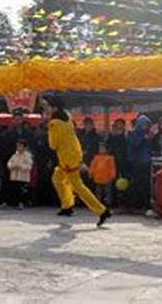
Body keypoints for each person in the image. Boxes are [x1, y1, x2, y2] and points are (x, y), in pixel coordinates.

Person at [42, 95, 111, 227]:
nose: (44, 108)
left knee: (78, 187)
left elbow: (53, 145)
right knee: (57, 178)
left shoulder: (54, 123)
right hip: (72, 154)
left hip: (67, 158)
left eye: (46, 105)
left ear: (54, 107)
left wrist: (48, 128)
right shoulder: (66, 116)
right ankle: (67, 205)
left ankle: (102, 210)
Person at [126, 115, 153, 211]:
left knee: (145, 184)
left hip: (146, 163)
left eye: (147, 125)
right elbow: (135, 144)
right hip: (135, 163)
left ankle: (144, 203)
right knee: (136, 184)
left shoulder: (148, 135)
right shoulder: (132, 134)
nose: (145, 126)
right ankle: (134, 204)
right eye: (144, 124)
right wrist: (144, 139)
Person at [106, 118, 128, 207]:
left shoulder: (126, 135)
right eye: (117, 124)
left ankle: (124, 200)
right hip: (113, 161)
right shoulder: (112, 135)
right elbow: (108, 146)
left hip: (124, 161)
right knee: (113, 180)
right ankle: (113, 201)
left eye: (121, 124)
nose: (119, 126)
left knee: (125, 181)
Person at [6, 139, 33, 209]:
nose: (19, 148)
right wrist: (11, 166)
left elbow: (29, 166)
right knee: (14, 190)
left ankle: (22, 203)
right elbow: (9, 163)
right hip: (14, 176)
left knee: (22, 191)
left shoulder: (28, 156)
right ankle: (14, 203)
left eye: (20, 146)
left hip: (23, 177)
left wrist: (20, 167)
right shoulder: (14, 155)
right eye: (18, 146)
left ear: (25, 147)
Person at [89, 141, 116, 206]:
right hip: (98, 177)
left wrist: (113, 175)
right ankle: (98, 202)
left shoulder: (110, 158)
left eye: (103, 148)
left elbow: (112, 167)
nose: (102, 150)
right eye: (100, 148)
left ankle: (108, 203)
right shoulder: (96, 157)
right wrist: (90, 174)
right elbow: (92, 166)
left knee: (107, 192)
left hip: (107, 178)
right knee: (98, 192)